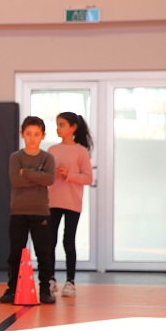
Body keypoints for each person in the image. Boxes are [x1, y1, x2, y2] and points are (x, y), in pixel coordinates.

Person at [0, 116, 57, 304]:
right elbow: (16, 181)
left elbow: (49, 180)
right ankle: (12, 288)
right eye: (29, 134)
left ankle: (45, 289)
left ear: (43, 136)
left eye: (36, 134)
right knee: (16, 252)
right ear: (22, 134)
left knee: (43, 253)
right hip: (18, 211)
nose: (32, 138)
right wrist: (37, 176)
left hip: (41, 212)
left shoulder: (47, 158)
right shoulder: (16, 158)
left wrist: (27, 172)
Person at [48, 112, 94, 298]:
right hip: (53, 202)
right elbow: (46, 178)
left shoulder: (81, 151)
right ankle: (50, 279)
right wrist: (56, 174)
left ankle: (70, 281)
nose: (58, 128)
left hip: (72, 203)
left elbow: (88, 177)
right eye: (57, 124)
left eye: (62, 124)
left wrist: (69, 176)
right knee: (50, 241)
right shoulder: (52, 150)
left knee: (69, 241)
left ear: (73, 127)